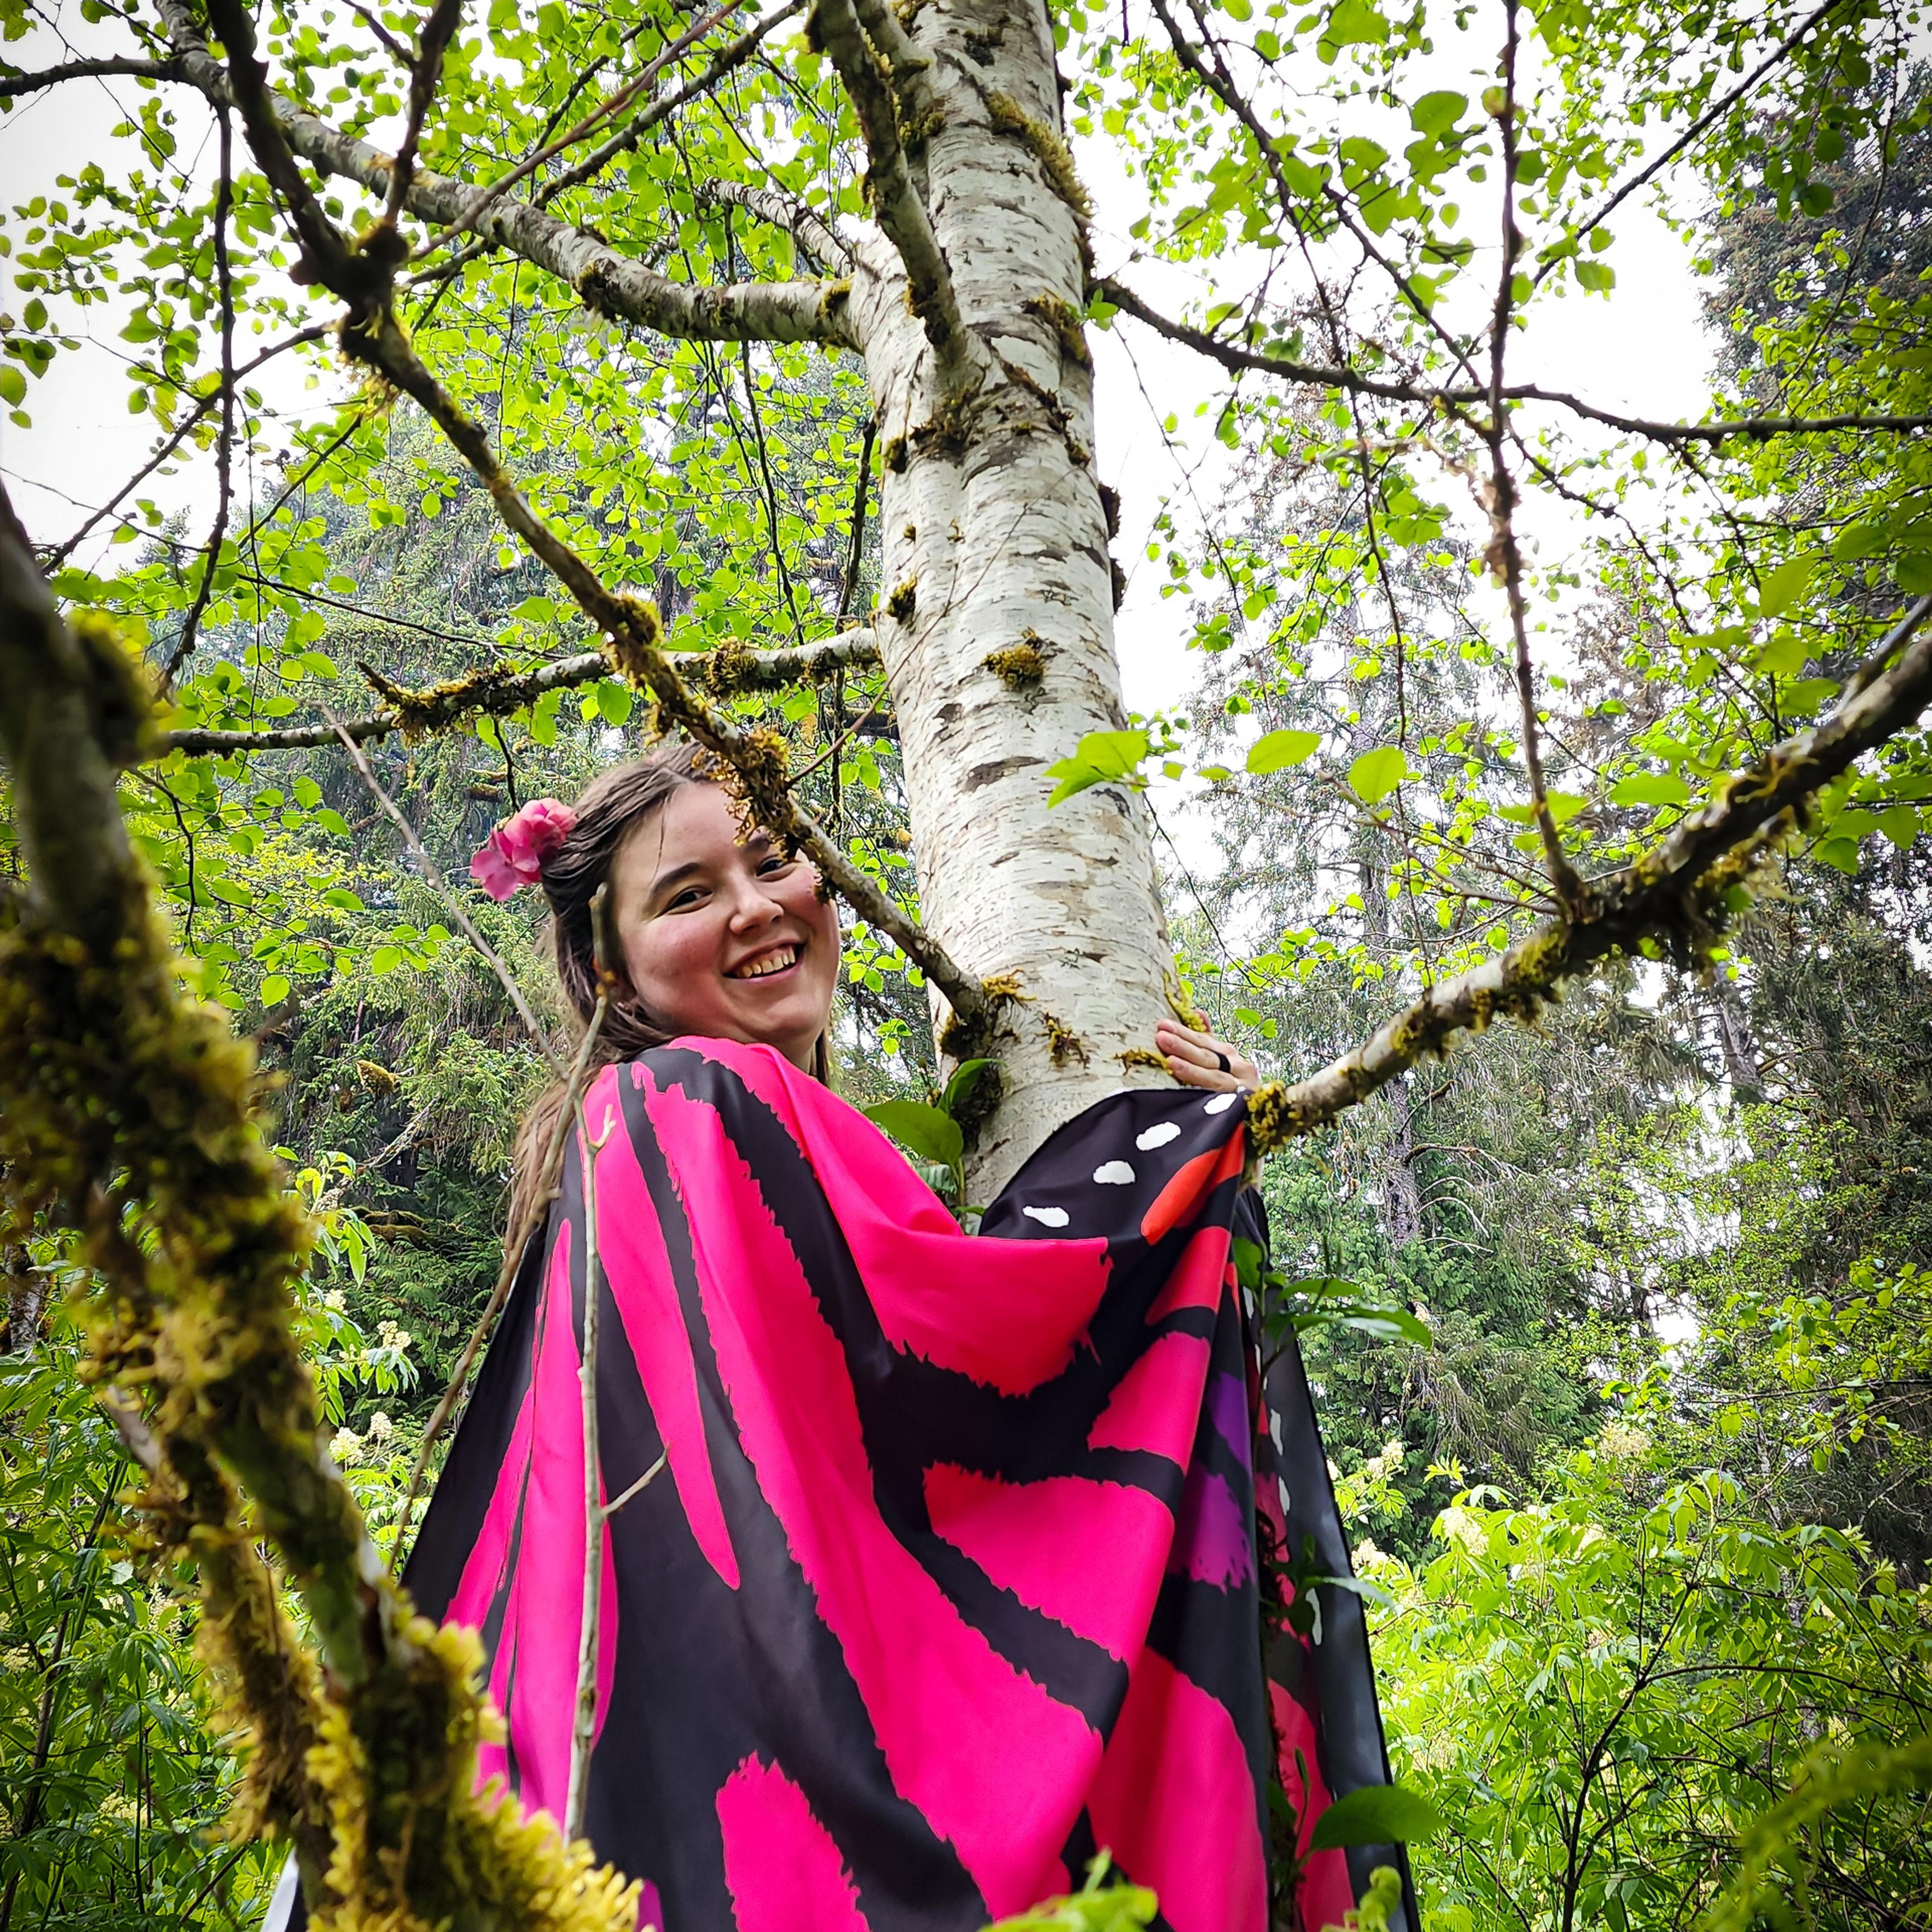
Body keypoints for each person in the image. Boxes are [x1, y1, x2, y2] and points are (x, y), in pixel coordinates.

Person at [269, 741, 1415, 1932]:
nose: (757, 908)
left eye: (774, 860)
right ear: (612, 971)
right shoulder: (692, 1105)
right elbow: (974, 1358)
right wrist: (1180, 1157)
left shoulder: (631, 1148)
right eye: (689, 893)